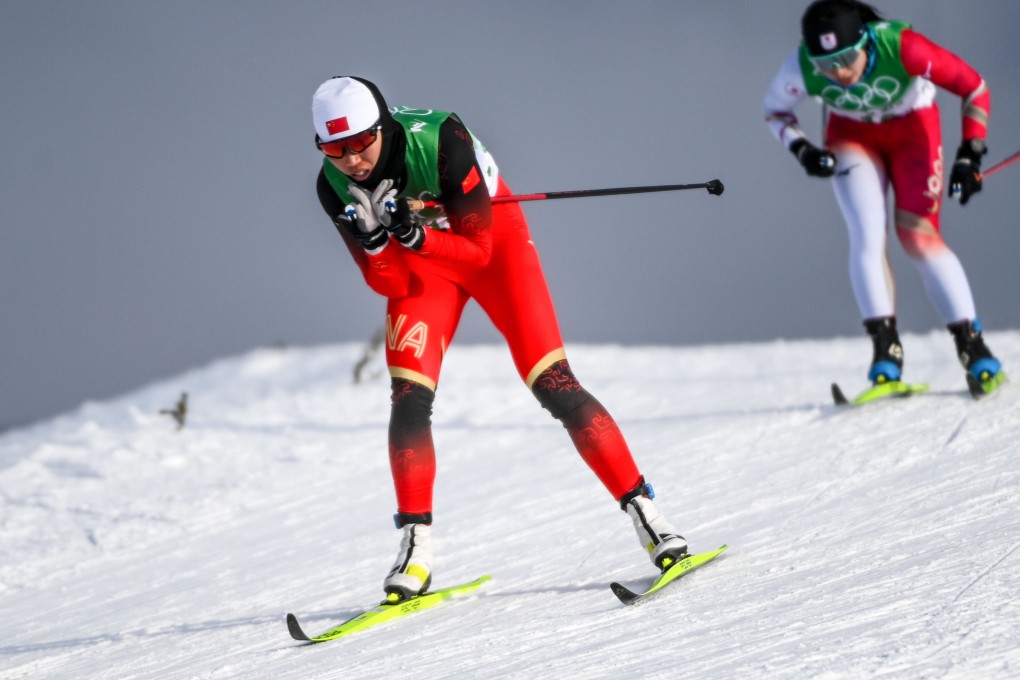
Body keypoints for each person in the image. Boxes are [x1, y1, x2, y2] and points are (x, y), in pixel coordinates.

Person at [311, 76, 689, 602]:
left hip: (490, 245)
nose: (350, 159)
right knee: (407, 398)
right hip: (423, 269)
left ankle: (652, 519)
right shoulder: (332, 185)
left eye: (359, 143)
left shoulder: (442, 139)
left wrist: (415, 233)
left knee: (554, 382)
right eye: (334, 148)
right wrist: (376, 243)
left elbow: (479, 253)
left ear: (383, 127)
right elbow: (390, 284)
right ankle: (416, 547)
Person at [763, 0, 1005, 394]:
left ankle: (973, 348)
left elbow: (973, 87)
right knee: (866, 234)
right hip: (852, 136)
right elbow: (774, 110)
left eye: (845, 58)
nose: (838, 72)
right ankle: (885, 355)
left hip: (914, 129)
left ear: (865, 42)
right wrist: (802, 149)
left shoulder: (903, 46)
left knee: (919, 238)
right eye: (826, 64)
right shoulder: (801, 65)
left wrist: (970, 154)